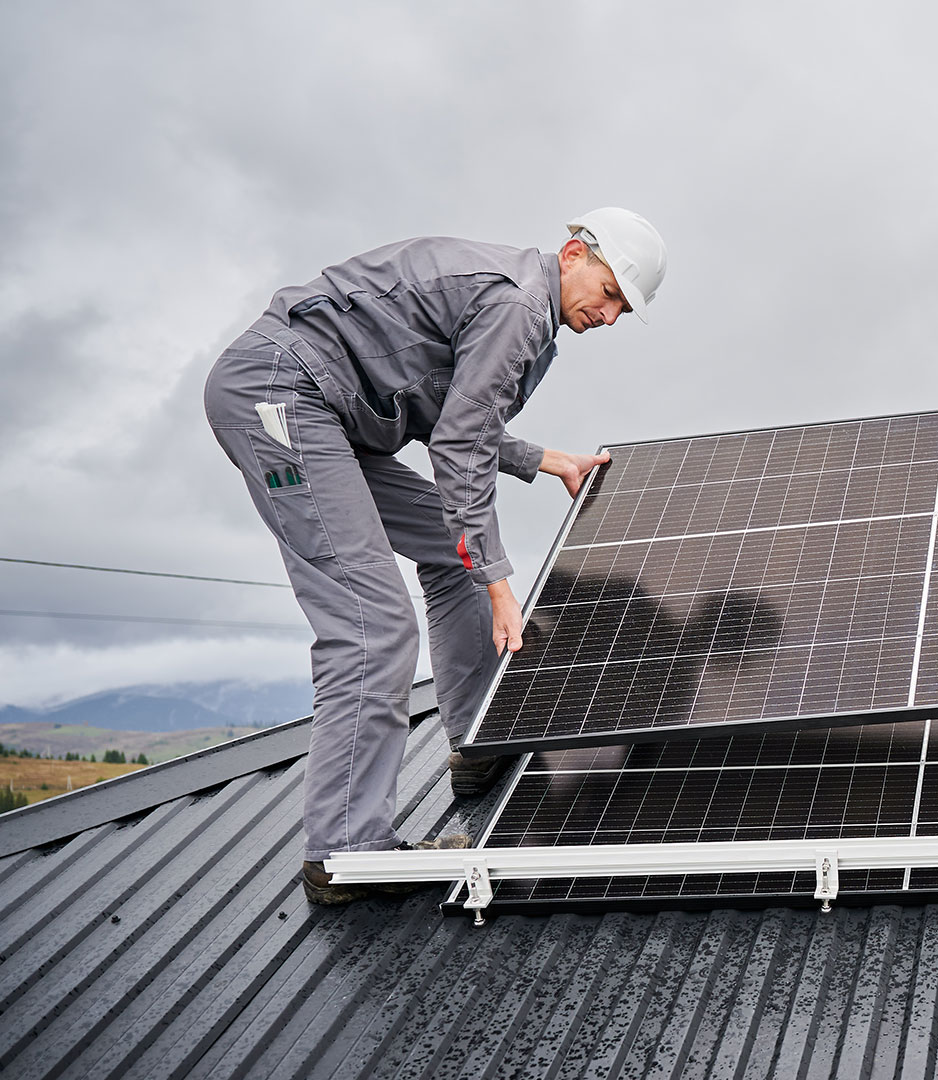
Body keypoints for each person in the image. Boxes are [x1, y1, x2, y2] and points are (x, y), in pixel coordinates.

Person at [202, 208, 667, 902]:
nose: (610, 315)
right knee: (374, 623)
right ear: (574, 254)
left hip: (332, 414)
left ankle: (478, 741)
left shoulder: (520, 306)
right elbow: (458, 449)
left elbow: (450, 419)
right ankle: (343, 851)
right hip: (283, 396)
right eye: (609, 294)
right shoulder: (517, 303)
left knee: (450, 554)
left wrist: (541, 459)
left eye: (623, 309)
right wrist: (500, 583)